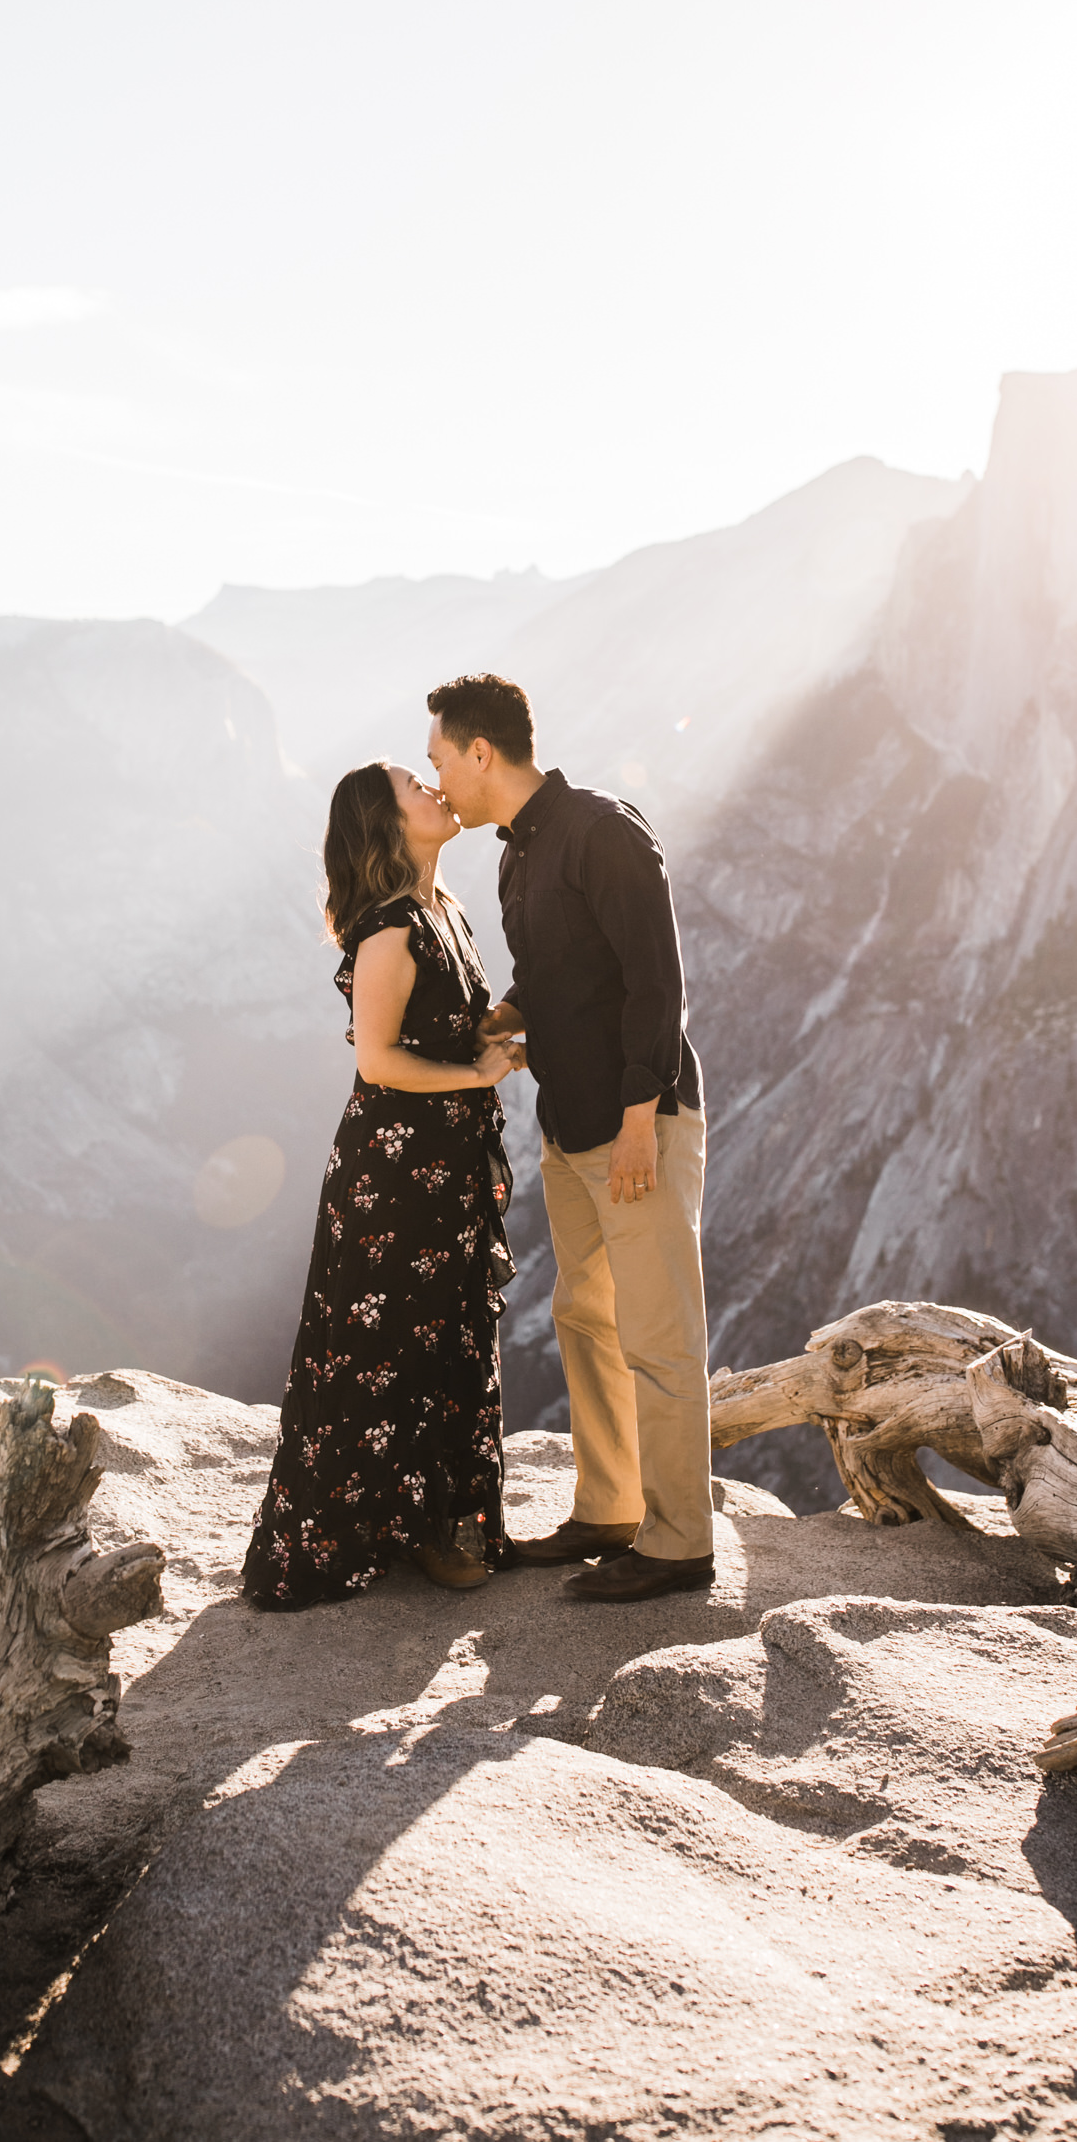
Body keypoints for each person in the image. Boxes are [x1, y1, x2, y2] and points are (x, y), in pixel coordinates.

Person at [426, 673, 713, 1604]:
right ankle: (611, 1510)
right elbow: (554, 975)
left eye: (440, 760)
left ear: (481, 752)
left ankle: (678, 1545)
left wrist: (641, 1117)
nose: (438, 782)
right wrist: (494, 1019)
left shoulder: (601, 830)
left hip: (636, 1125)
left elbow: (655, 981)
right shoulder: (516, 855)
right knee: (588, 1321)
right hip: (569, 1124)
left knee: (658, 1334)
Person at [242, 761, 524, 1611]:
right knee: (386, 1349)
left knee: (447, 1337)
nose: (435, 789)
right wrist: (477, 1076)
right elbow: (378, 1061)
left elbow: (438, 1031)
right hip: (393, 1178)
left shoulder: (449, 912)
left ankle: (430, 1521)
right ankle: (394, 1532)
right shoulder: (390, 931)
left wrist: (504, 1029)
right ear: (387, 822)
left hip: (446, 1166)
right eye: (415, 785)